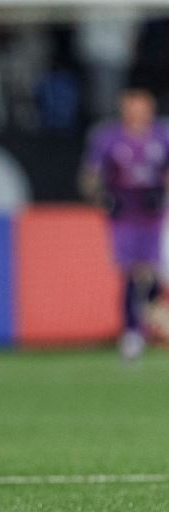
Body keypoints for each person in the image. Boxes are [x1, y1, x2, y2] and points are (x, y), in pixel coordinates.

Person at [81, 87, 169, 361]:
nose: (137, 114)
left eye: (142, 109)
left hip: (155, 215)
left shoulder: (162, 136)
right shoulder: (108, 138)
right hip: (124, 217)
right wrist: (101, 197)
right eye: (132, 109)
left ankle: (151, 323)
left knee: (152, 273)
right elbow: (90, 176)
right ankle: (132, 334)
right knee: (132, 273)